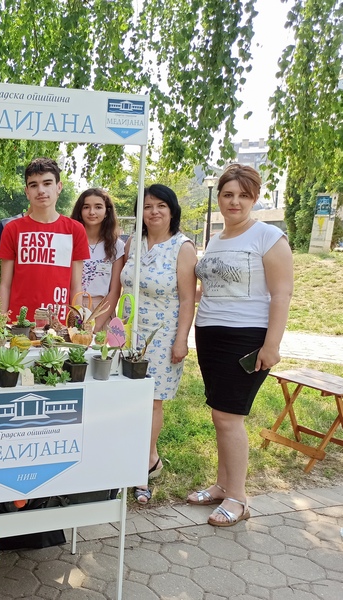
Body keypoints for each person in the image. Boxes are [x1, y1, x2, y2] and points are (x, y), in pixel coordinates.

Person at [188, 164, 293, 526]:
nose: (234, 202)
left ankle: (239, 498)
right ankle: (221, 486)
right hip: (209, 332)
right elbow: (214, 287)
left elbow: (282, 294)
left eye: (243, 195)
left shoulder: (267, 237)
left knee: (229, 418)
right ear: (218, 197)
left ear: (254, 198)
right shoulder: (216, 239)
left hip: (246, 335)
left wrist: (272, 345)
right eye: (228, 194)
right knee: (220, 414)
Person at [120, 184, 197, 505]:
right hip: (125, 334)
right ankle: (125, 457)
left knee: (152, 401)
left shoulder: (183, 247)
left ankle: (145, 464)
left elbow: (188, 297)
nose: (153, 212)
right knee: (124, 398)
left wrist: (182, 340)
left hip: (162, 337)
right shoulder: (132, 244)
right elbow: (119, 286)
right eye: (147, 206)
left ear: (172, 210)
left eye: (160, 206)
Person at [0, 157, 89, 323]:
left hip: (59, 324)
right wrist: (0, 321)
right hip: (19, 324)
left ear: (58, 187)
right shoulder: (13, 229)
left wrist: (76, 324)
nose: (40, 190)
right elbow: (5, 284)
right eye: (34, 185)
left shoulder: (75, 230)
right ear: (27, 191)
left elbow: (75, 286)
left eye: (47, 183)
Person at [70, 188, 125, 330]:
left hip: (103, 311)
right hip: (72, 307)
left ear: (107, 212)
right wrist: (76, 317)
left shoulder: (117, 246)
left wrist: (96, 325)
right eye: (86, 207)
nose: (92, 212)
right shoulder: (70, 241)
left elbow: (115, 291)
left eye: (98, 207)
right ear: (80, 212)